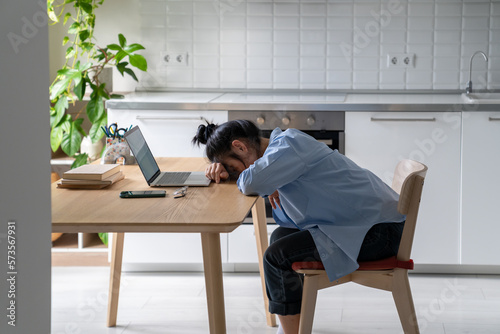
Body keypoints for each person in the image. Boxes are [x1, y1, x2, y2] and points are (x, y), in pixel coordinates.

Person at [192, 120, 406, 334]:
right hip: (365, 223)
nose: (236, 175)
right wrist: (264, 181)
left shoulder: (289, 145)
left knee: (275, 258)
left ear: (240, 147)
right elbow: (289, 219)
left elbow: (250, 183)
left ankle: (290, 331)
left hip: (380, 232)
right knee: (279, 237)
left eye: (233, 169)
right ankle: (293, 325)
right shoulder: (279, 154)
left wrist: (261, 181)